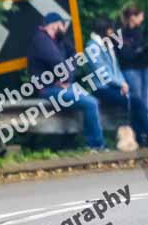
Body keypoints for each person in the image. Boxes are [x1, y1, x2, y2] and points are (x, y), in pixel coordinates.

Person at [28, 12, 106, 151]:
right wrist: (64, 77)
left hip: (63, 86)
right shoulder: (41, 39)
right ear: (55, 24)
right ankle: (95, 145)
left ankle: (93, 144)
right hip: (48, 89)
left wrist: (66, 79)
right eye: (63, 25)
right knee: (90, 103)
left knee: (92, 101)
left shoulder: (59, 40)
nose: (64, 29)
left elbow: (74, 58)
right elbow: (57, 61)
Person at [87, 16, 148, 147]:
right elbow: (101, 73)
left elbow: (116, 69)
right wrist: (120, 84)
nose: (112, 32)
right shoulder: (92, 48)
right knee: (126, 100)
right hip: (101, 88)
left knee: (138, 102)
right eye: (110, 30)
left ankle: (147, 137)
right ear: (104, 31)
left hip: (114, 87)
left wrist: (124, 84)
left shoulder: (108, 45)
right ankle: (127, 136)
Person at [117, 3, 148, 145]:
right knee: (137, 102)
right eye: (139, 16)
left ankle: (144, 135)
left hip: (144, 69)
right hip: (130, 70)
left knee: (145, 102)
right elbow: (124, 55)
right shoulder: (121, 33)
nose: (142, 18)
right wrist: (139, 50)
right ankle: (145, 135)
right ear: (132, 17)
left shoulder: (142, 31)